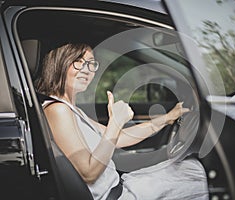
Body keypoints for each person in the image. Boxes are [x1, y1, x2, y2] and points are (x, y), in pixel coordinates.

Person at [36, 43, 208, 200]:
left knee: (191, 169)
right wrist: (115, 123)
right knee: (201, 179)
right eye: (79, 62)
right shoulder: (58, 110)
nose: (87, 70)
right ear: (60, 63)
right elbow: (88, 173)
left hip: (122, 187)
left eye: (92, 64)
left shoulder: (71, 110)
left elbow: (121, 137)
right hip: (119, 196)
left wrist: (167, 118)